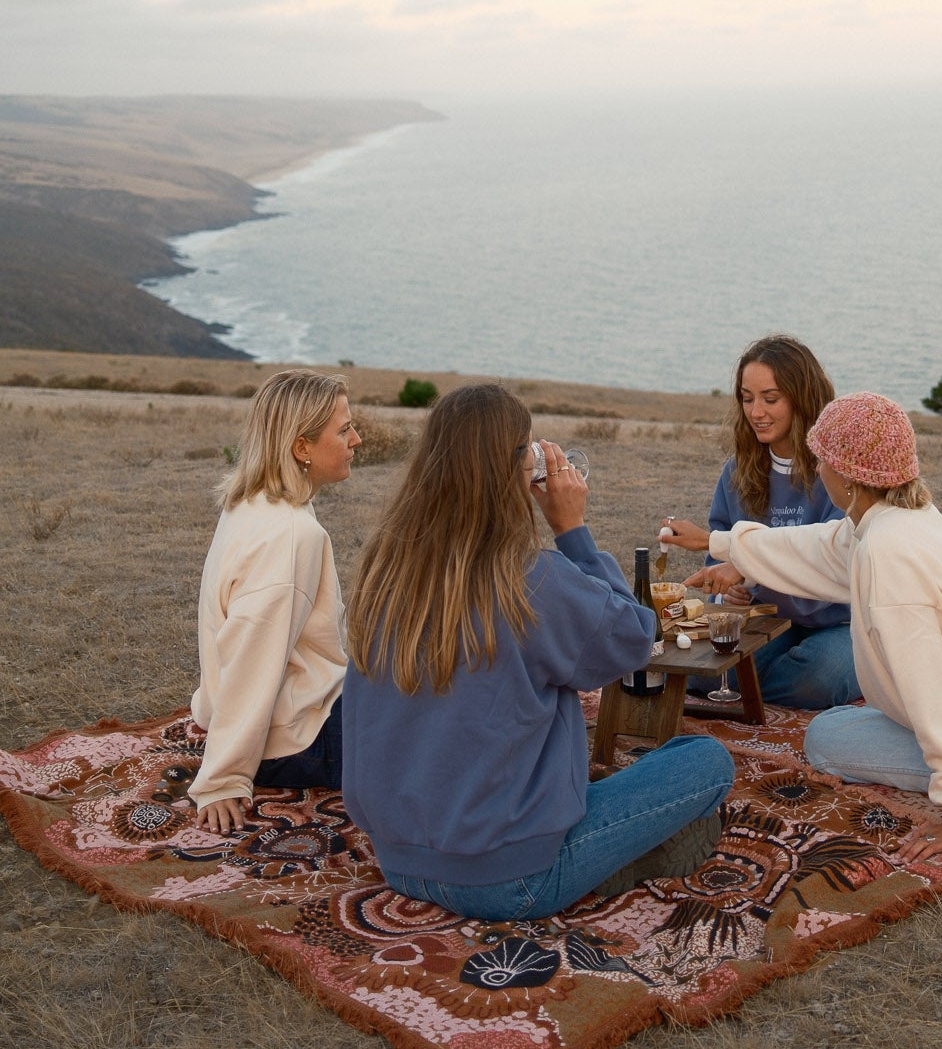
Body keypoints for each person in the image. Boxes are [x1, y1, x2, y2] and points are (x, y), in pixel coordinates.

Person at [341, 384, 734, 919]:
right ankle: (611, 861)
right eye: (528, 449)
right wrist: (572, 530)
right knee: (705, 762)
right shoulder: (531, 580)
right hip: (512, 879)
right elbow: (635, 640)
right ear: (515, 470)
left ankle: (607, 851)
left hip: (398, 861)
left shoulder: (384, 571)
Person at [685, 393, 942, 867]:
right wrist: (729, 547)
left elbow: (932, 692)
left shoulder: (888, 557)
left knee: (827, 739)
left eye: (822, 459)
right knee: (856, 718)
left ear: (847, 476)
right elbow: (822, 547)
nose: (817, 469)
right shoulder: (904, 516)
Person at [189, 369, 360, 834]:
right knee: (441, 711)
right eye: (344, 430)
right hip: (296, 740)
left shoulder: (252, 502)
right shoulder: (291, 535)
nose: (357, 440)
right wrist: (223, 779)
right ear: (302, 447)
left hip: (284, 718)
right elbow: (252, 655)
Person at [659, 334, 859, 710]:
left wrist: (749, 571)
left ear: (802, 398)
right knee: (708, 671)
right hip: (762, 618)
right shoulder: (737, 472)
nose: (756, 412)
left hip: (836, 621)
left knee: (819, 678)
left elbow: (830, 568)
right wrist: (726, 591)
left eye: (770, 398)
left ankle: (747, 688)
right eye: (747, 398)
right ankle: (745, 686)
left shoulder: (836, 473)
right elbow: (719, 563)